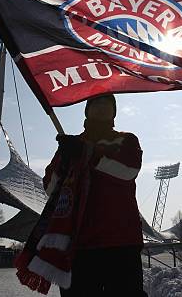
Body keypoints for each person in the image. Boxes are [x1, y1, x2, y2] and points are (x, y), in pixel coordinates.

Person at [55, 94, 147, 297]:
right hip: (79, 246)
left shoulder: (126, 140)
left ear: (114, 111)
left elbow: (128, 170)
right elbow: (51, 188)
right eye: (96, 102)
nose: (102, 106)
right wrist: (63, 164)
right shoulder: (70, 146)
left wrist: (88, 153)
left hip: (121, 244)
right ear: (87, 110)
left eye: (107, 103)